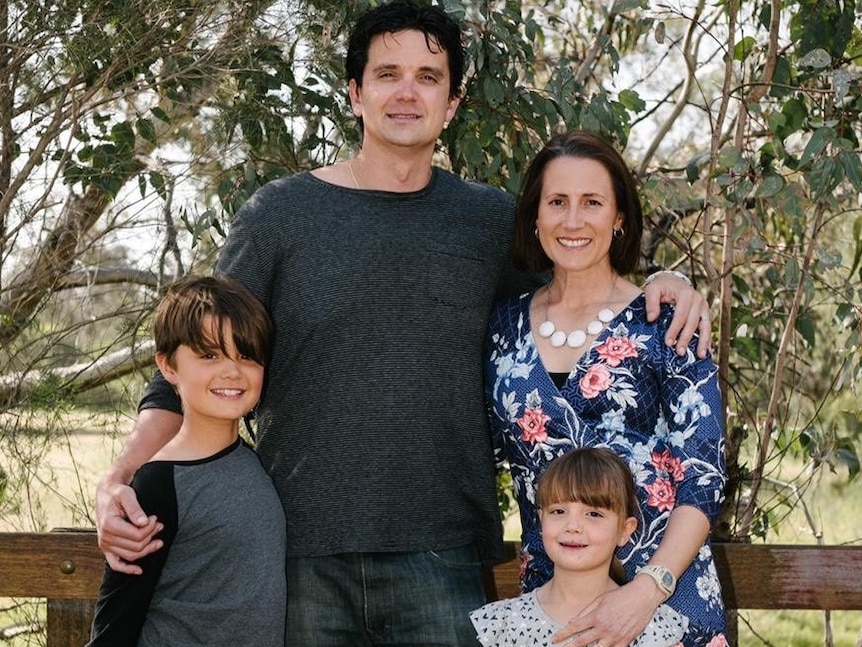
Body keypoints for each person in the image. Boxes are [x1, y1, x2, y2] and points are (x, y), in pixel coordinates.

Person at [94, 3, 710, 645]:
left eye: (428, 76)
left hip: (442, 553)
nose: (407, 92)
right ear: (355, 93)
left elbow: (579, 286)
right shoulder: (281, 216)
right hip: (301, 550)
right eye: (388, 74)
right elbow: (192, 364)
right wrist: (122, 480)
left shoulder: (488, 223)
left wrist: (664, 284)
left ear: (452, 101)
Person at [485, 130, 728, 647]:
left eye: (592, 202)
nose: (573, 221)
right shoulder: (503, 326)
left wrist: (645, 591)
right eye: (557, 202)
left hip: (667, 600)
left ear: (619, 217)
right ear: (535, 215)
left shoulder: (667, 320)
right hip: (551, 607)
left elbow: (703, 479)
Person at [87, 275, 286, 646]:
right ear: (169, 367)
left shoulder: (257, 463)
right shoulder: (157, 485)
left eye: (246, 355)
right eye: (209, 355)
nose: (232, 371)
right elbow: (115, 625)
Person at [470, 447, 687, 647]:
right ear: (541, 519)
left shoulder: (652, 629)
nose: (572, 526)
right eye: (558, 511)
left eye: (593, 514)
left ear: (624, 530)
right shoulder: (504, 623)